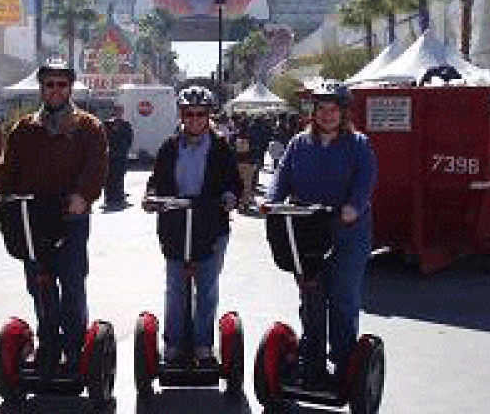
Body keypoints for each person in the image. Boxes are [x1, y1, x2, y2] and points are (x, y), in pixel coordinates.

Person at [0, 59, 108, 378]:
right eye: (49, 84)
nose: (55, 90)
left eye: (61, 84)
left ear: (70, 88)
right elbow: (7, 167)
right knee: (39, 284)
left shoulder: (88, 126)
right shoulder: (24, 128)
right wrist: (1, 192)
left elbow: (97, 167)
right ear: (41, 88)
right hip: (32, 218)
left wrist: (83, 196)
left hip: (70, 218)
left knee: (71, 283)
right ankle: (49, 344)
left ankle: (74, 347)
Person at [263, 83, 377, 386]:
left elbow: (365, 180)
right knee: (311, 294)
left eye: (333, 110)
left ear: (343, 113)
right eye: (322, 109)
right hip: (309, 230)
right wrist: (272, 202)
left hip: (347, 232)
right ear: (314, 112)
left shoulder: (358, 144)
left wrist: (353, 207)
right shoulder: (299, 143)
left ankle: (342, 360)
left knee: (342, 296)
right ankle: (311, 360)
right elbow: (282, 176)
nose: (327, 115)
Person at [143, 85, 242, 365]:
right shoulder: (169, 147)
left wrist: (230, 197)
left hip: (210, 225)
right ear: (181, 115)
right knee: (176, 287)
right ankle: (174, 345)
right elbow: (156, 180)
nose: (195, 120)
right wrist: (151, 197)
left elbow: (234, 182)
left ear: (208, 116)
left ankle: (202, 345)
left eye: (200, 114)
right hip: (175, 225)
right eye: (189, 114)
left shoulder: (221, 148)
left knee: (206, 288)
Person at [103, 104, 133, 208]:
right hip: (110, 155)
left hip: (121, 155)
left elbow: (129, 139)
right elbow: (104, 138)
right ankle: (109, 197)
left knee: (120, 176)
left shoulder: (126, 125)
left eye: (120, 111)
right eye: (117, 111)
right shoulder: (107, 124)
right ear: (114, 112)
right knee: (109, 176)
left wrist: (124, 149)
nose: (119, 113)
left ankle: (119, 197)